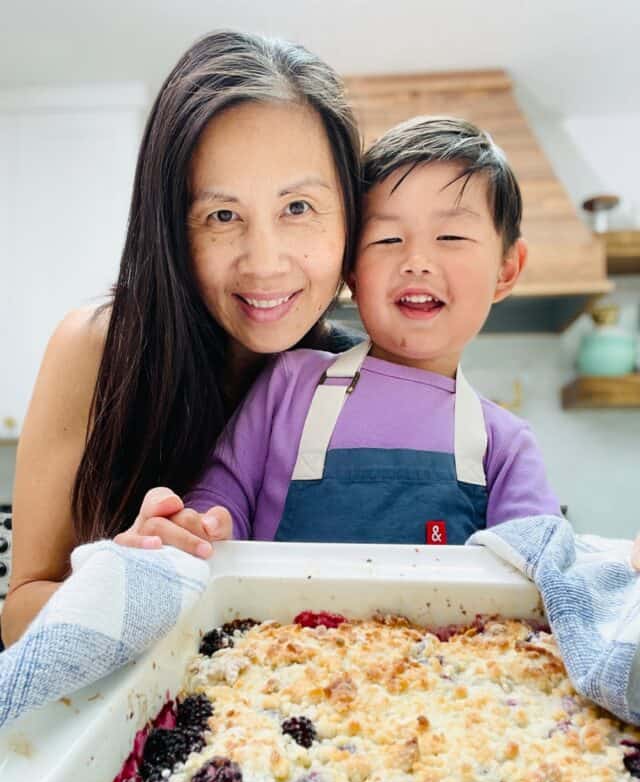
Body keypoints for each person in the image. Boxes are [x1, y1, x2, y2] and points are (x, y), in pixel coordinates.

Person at [1, 30, 363, 647]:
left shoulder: (361, 377)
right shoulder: (97, 350)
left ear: (350, 212)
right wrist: (122, 585)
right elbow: (17, 615)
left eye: (298, 208)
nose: (265, 262)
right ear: (170, 228)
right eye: (222, 216)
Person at [129, 116, 565, 548]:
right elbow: (222, 497)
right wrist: (201, 525)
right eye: (388, 240)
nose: (416, 261)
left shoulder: (504, 444)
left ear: (507, 270)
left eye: (450, 236)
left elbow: (541, 564)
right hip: (279, 621)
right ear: (352, 270)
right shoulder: (289, 384)